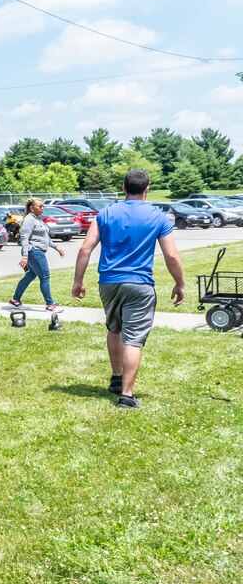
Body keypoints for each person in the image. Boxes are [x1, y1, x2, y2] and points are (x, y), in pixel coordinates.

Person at [71, 170, 185, 409]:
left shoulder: (105, 214)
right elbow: (171, 256)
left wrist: (78, 281)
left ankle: (115, 377)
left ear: (124, 187)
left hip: (109, 283)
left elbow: (85, 249)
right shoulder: (159, 217)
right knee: (133, 339)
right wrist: (180, 283)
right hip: (139, 284)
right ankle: (126, 396)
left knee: (114, 328)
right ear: (147, 189)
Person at [8, 197, 64, 311]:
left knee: (30, 275)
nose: (42, 208)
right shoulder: (29, 219)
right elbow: (24, 238)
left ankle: (15, 300)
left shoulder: (37, 219)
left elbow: (45, 238)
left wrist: (56, 247)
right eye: (40, 206)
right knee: (45, 277)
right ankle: (50, 304)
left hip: (37, 251)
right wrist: (25, 256)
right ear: (31, 208)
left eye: (43, 206)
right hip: (34, 252)